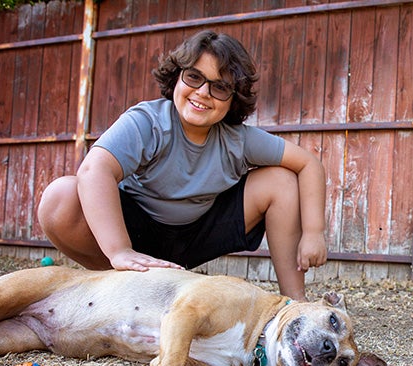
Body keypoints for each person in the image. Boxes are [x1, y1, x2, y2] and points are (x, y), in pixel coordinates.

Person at [38, 30, 327, 301]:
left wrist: (314, 232)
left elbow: (308, 163)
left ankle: (295, 303)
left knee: (281, 179)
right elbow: (94, 169)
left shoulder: (237, 139)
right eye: (194, 77)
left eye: (220, 87)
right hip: (135, 230)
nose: (203, 92)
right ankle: (121, 282)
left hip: (196, 235)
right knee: (60, 197)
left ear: (233, 99)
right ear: (177, 78)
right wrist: (119, 250)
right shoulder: (148, 121)